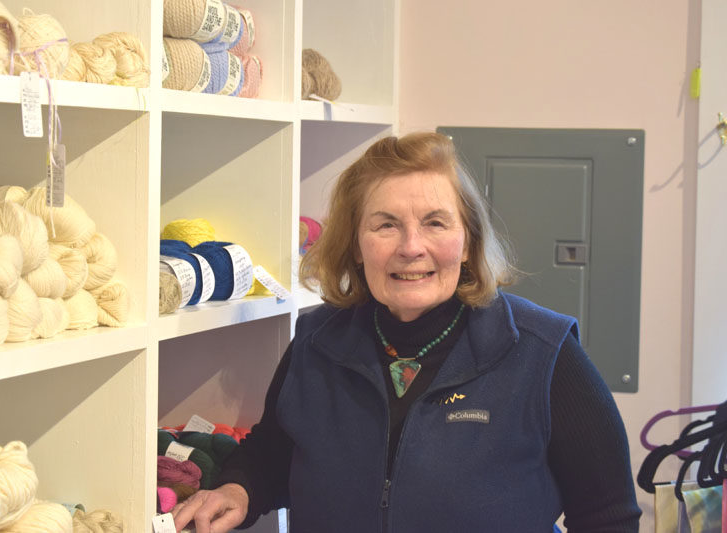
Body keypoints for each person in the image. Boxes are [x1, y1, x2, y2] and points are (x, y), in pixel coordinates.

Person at [172, 132, 641, 532]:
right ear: (356, 245)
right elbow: (276, 449)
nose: (411, 248)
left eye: (435, 223)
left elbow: (608, 515)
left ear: (467, 242)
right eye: (386, 225)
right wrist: (239, 488)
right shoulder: (317, 342)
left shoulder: (544, 353)